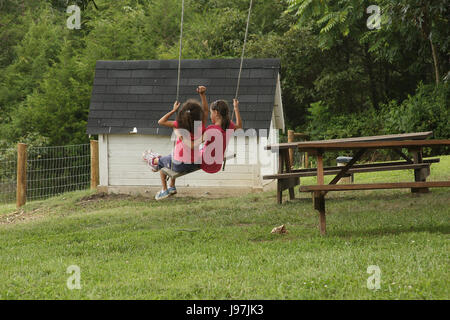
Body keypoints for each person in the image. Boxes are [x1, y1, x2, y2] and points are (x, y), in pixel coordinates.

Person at [143, 88, 208, 200]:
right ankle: (171, 186)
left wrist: (173, 110)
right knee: (172, 155)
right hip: (195, 162)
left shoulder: (179, 124)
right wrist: (202, 95)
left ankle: (164, 190)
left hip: (180, 164)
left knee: (161, 165)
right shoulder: (200, 125)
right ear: (199, 115)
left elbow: (161, 121)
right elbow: (206, 110)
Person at [200, 91, 243, 174]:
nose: (210, 116)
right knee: (201, 149)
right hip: (217, 166)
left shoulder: (211, 129)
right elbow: (239, 126)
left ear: (216, 113)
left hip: (206, 165)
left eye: (211, 113)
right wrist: (236, 108)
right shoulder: (229, 125)